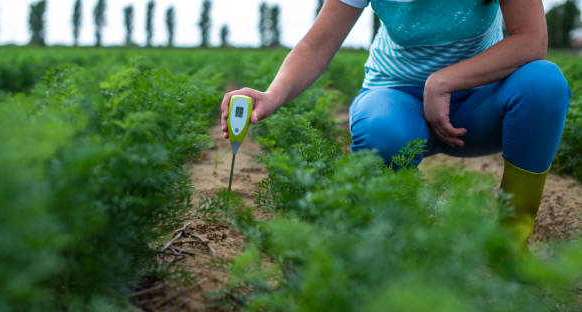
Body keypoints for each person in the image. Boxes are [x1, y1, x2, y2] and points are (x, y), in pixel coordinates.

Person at [220, 0, 571, 247]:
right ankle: (394, 245)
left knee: (544, 84)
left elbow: (531, 40)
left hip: (478, 104)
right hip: (397, 97)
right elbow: (317, 45)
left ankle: (509, 242)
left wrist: (444, 81)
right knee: (382, 131)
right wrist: (272, 94)